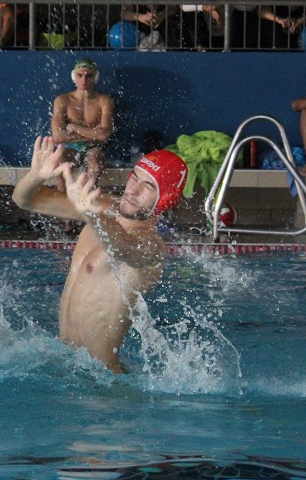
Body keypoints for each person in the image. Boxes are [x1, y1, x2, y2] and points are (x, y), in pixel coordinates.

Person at [12, 136, 188, 373]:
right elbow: (25, 201)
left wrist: (92, 216)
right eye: (134, 177)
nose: (132, 190)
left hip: (103, 385)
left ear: (165, 200)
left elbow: (124, 248)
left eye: (147, 186)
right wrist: (36, 176)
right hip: (67, 361)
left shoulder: (152, 246)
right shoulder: (103, 207)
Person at [50, 59, 115, 193]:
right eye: (80, 75)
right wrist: (92, 134)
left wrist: (74, 128)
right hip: (71, 147)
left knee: (95, 167)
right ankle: (62, 207)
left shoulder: (104, 101)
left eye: (88, 76)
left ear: (95, 77)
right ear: (74, 77)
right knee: (61, 165)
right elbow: (57, 136)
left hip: (94, 147)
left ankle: (85, 204)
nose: (84, 80)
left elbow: (105, 135)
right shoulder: (63, 100)